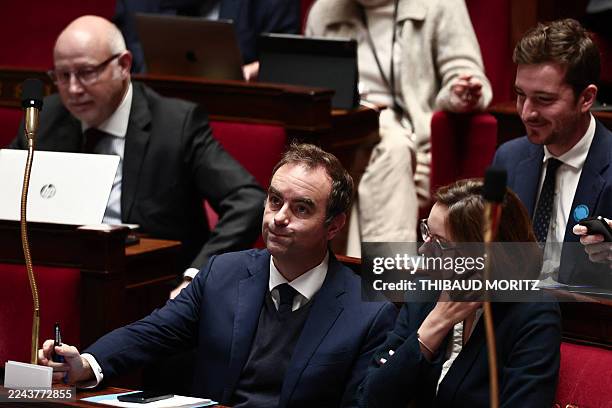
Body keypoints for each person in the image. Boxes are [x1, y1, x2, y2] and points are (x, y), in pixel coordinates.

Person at [37, 143, 398, 407]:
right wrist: (85, 364)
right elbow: (152, 332)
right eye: (274, 201)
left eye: (301, 208)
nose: (278, 218)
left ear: (334, 226)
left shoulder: (368, 311)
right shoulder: (224, 273)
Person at [9, 16, 266, 292]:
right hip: (58, 283)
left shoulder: (176, 124)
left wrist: (195, 278)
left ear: (123, 65)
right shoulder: (43, 120)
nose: (73, 89)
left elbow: (248, 201)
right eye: (62, 75)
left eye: (86, 73)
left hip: (154, 290)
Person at [305, 0, 492, 255]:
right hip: (342, 134)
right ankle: (381, 279)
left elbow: (465, 73)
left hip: (414, 135)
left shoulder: (440, 5)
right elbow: (308, 85)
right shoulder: (324, 10)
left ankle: (379, 278)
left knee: (392, 149)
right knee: (380, 150)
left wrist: (459, 94)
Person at [359, 179, 561, 407]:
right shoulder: (425, 289)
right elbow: (369, 398)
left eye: (441, 243)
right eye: (427, 231)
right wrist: (435, 325)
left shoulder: (532, 312)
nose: (424, 249)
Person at [493, 18, 612, 285]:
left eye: (544, 99)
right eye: (521, 95)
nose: (526, 113)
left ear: (586, 99)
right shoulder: (508, 159)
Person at [113, 0, 300, 78]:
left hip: (241, 105)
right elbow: (125, 52)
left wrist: (258, 68)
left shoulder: (271, 4)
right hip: (154, 107)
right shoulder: (136, 3)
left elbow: (287, 57)